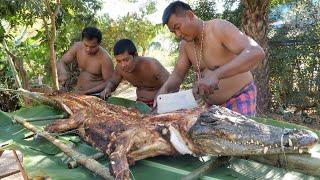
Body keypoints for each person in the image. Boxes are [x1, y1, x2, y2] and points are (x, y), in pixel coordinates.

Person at [156, 1, 265, 116]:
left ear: (190, 15)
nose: (178, 34)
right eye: (174, 32)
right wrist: (164, 90)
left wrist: (216, 74)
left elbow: (256, 52)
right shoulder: (185, 45)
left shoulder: (218, 28)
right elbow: (178, 74)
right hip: (211, 106)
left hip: (239, 97)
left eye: (178, 27)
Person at [100, 39, 169, 107]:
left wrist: (161, 100)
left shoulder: (152, 65)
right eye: (119, 61)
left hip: (161, 104)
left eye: (126, 60)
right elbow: (113, 82)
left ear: (135, 55)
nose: (123, 65)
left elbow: (172, 85)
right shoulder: (119, 68)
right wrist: (108, 88)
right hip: (140, 105)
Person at [57, 27, 114, 95]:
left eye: (92, 47)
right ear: (82, 41)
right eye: (86, 45)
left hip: (96, 96)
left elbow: (110, 83)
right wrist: (63, 73)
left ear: (99, 44)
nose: (88, 49)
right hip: (79, 93)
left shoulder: (105, 59)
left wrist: (87, 92)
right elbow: (62, 61)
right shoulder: (77, 47)